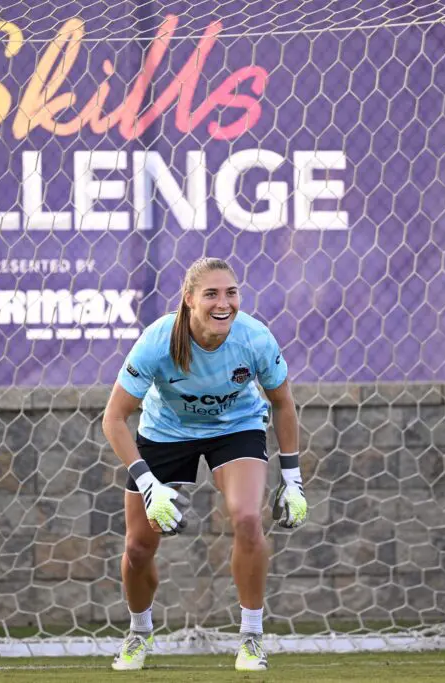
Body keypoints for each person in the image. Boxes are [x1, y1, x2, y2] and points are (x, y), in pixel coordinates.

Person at [101, 257, 308, 672]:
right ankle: (139, 633)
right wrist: (148, 485)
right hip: (166, 433)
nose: (223, 303)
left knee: (248, 518)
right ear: (189, 299)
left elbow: (283, 404)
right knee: (138, 548)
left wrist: (293, 480)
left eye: (231, 293)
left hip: (237, 427)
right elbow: (114, 418)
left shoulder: (255, 338)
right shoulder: (159, 340)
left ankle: (251, 639)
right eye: (211, 294)